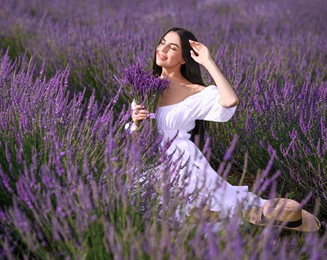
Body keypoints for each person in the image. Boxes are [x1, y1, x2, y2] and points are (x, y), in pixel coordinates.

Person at [128, 27, 321, 231]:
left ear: (184, 59)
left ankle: (257, 218)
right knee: (136, 198)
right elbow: (135, 143)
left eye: (172, 47)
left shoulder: (194, 92)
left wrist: (207, 62)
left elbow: (230, 101)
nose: (163, 49)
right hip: (151, 159)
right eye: (162, 42)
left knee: (181, 209)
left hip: (180, 160)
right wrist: (136, 125)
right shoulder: (144, 87)